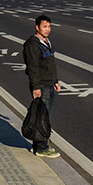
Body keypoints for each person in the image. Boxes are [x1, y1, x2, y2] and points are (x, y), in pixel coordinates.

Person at [23, 14, 61, 158]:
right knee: (42, 117)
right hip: (41, 85)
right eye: (44, 27)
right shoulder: (32, 44)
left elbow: (50, 64)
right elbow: (33, 67)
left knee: (45, 116)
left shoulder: (46, 41)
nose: (47, 29)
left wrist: (55, 81)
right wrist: (36, 87)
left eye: (49, 26)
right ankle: (41, 147)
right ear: (37, 27)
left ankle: (40, 144)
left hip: (49, 83)